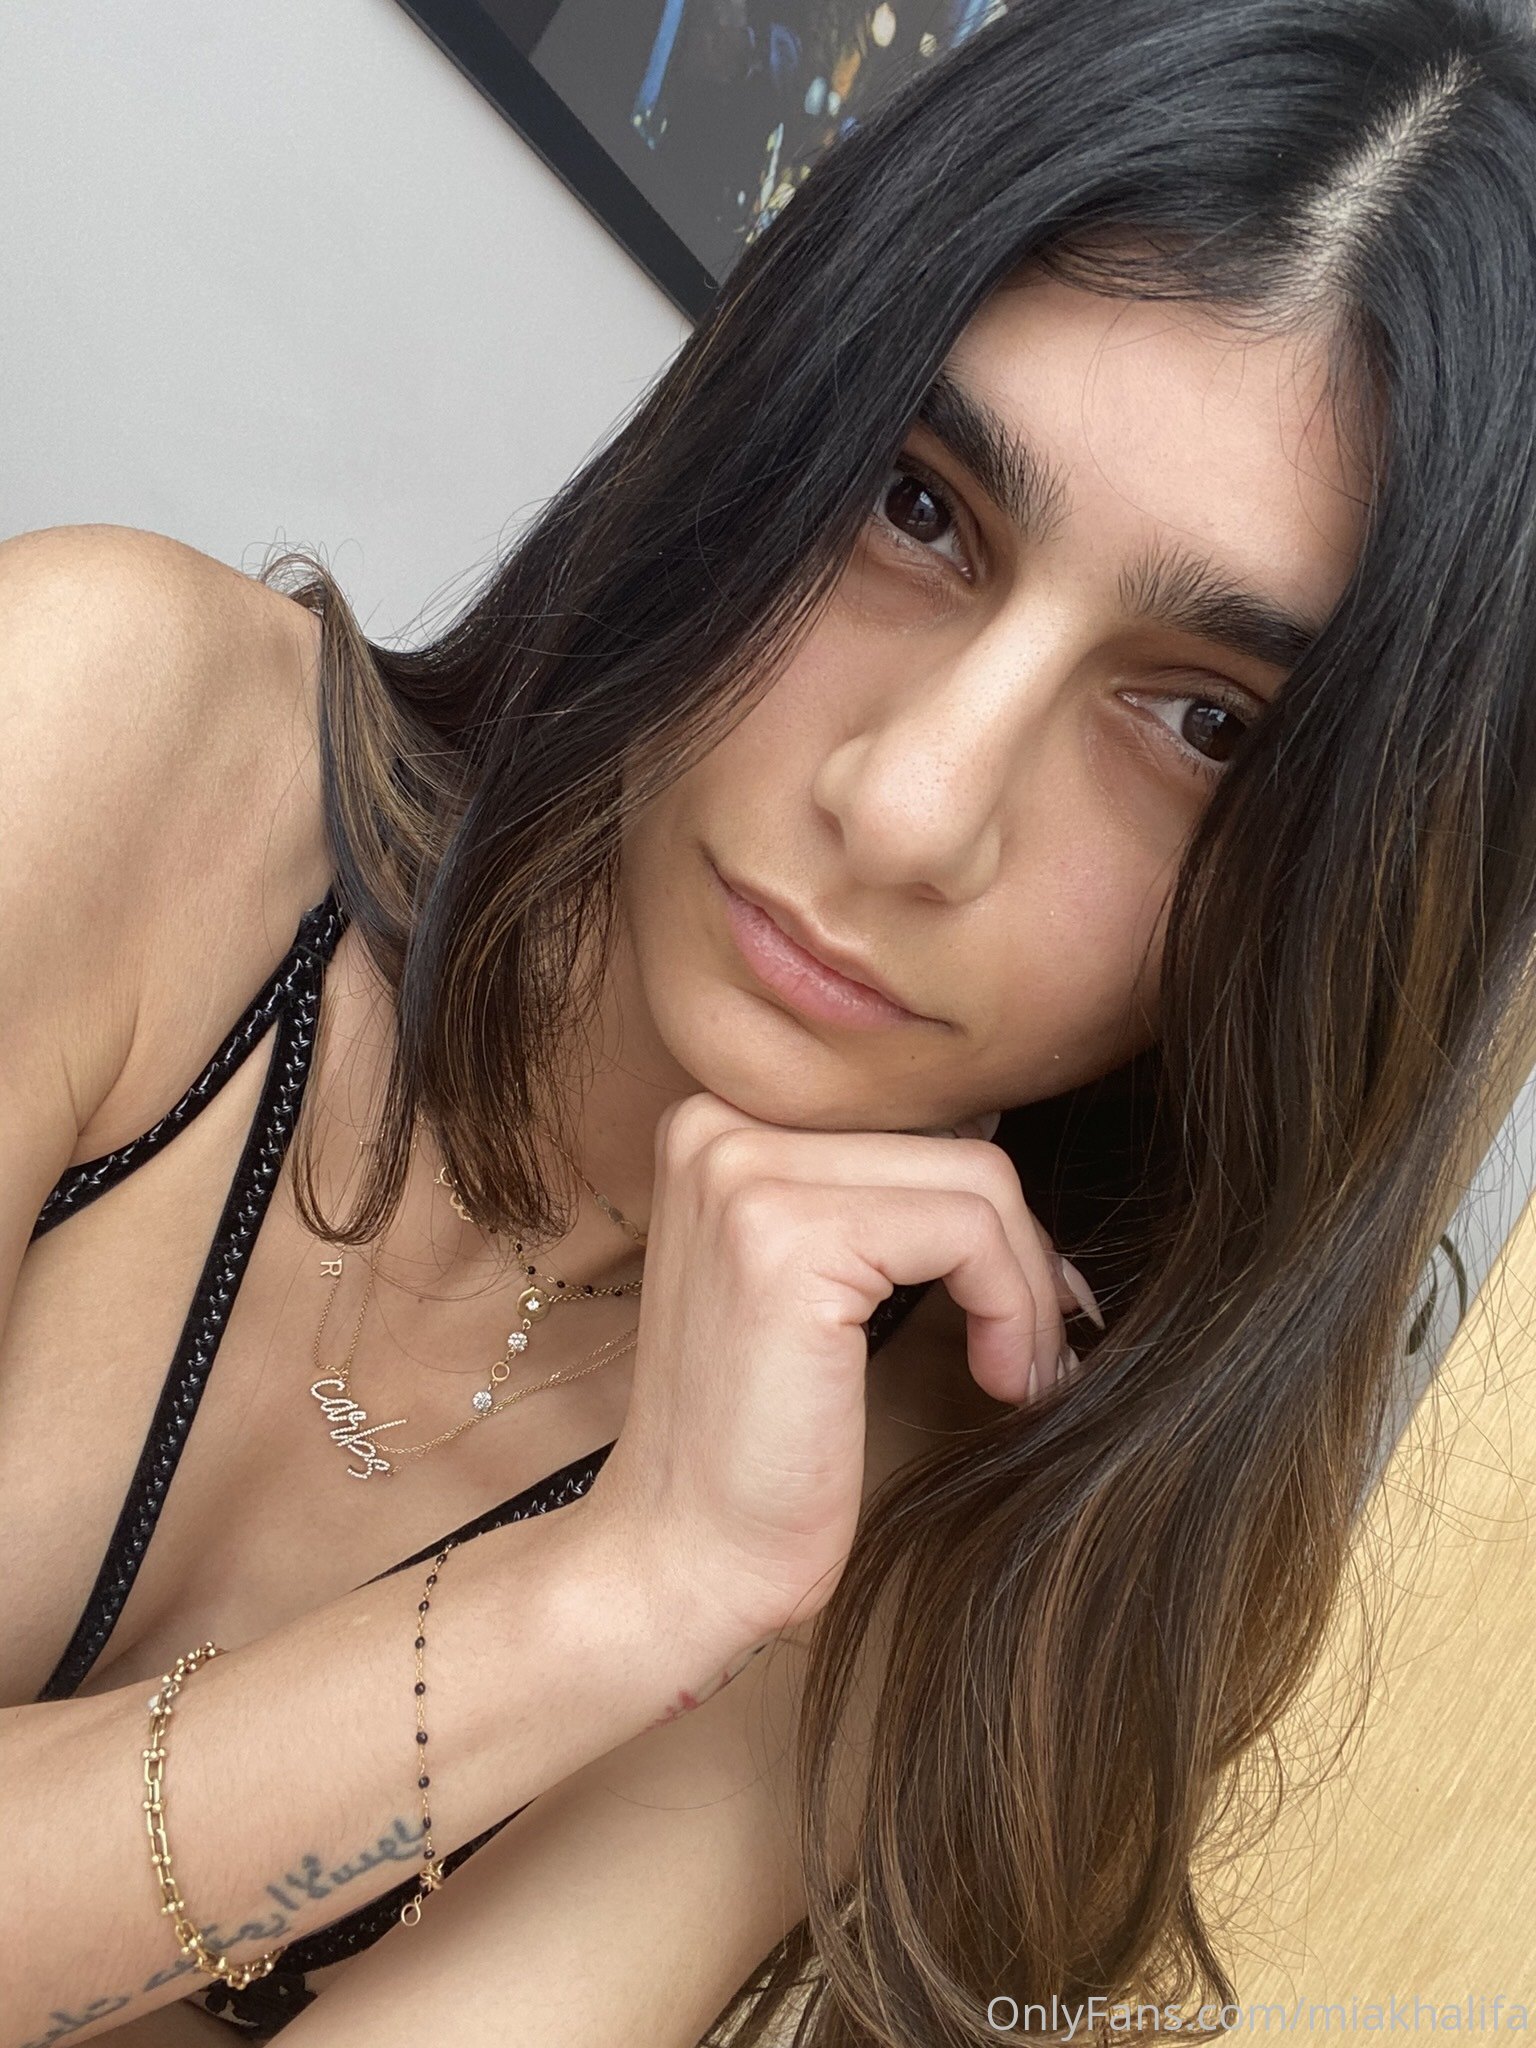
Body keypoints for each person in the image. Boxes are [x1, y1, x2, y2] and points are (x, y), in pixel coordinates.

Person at [6, 0, 1536, 2041]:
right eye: (920, 507)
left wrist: (683, 1581)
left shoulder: (922, 1505)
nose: (910, 806)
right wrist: (592, 1601)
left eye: (1205, 725)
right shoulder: (101, 742)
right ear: (770, 412)